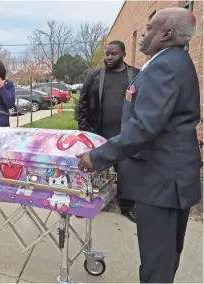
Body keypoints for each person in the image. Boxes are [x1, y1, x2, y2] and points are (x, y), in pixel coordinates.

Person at [76, 8, 201, 283]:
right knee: (163, 258)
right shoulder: (170, 61)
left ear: (166, 34)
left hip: (162, 181)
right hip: (166, 178)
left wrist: (97, 157)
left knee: (157, 263)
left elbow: (144, 127)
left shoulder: (166, 65)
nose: (144, 34)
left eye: (149, 28)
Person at [78, 40, 140, 223]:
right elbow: (83, 103)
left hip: (124, 134)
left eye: (114, 54)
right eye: (107, 54)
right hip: (97, 133)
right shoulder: (96, 76)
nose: (109, 57)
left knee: (126, 172)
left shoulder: (135, 75)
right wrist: (84, 129)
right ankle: (88, 204)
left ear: (123, 54)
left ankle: (127, 206)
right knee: (93, 170)